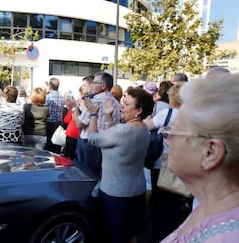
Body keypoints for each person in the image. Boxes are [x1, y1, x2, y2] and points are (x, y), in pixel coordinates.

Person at [161, 73, 239, 242]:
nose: (167, 138)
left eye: (172, 131)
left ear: (209, 153)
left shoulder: (228, 236)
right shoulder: (210, 204)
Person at [85, 87, 154, 243]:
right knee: (132, 234)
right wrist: (109, 115)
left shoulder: (124, 130)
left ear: (138, 110)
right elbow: (116, 140)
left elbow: (93, 138)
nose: (121, 106)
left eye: (127, 104)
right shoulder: (143, 128)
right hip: (136, 190)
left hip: (116, 194)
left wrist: (93, 113)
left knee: (114, 236)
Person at [144, 82, 190, 242]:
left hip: (162, 164)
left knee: (160, 205)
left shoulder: (167, 114)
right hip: (185, 164)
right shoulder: (192, 116)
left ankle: (161, 236)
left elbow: (145, 127)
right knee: (177, 204)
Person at [73, 72, 121, 177]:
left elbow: (80, 124)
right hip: (108, 143)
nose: (91, 85)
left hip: (91, 144)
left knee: (87, 175)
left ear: (103, 86)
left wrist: (74, 109)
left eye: (94, 82)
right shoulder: (116, 102)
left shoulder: (96, 101)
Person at [44, 77, 65, 153]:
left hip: (49, 123)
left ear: (50, 86)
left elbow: (44, 109)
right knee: (56, 145)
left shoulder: (48, 97)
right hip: (58, 123)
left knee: (48, 146)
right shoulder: (62, 98)